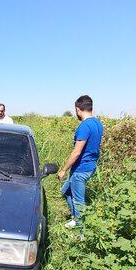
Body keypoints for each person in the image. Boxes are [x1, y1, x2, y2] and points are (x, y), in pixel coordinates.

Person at [56, 95, 104, 228]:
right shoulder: (98, 124)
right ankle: (75, 218)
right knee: (66, 191)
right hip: (91, 166)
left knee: (79, 201)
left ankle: (81, 232)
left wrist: (63, 169)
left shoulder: (84, 126)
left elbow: (77, 152)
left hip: (81, 169)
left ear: (78, 109)